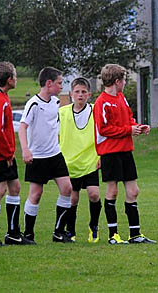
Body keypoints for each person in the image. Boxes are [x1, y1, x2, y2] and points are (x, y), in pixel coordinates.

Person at [93, 64, 155, 245]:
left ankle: (135, 235)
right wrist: (129, 129)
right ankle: (113, 235)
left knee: (133, 191)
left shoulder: (121, 98)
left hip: (126, 151)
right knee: (112, 191)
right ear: (117, 81)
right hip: (110, 153)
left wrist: (137, 126)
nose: (125, 83)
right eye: (124, 80)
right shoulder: (102, 102)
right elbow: (104, 129)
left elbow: (128, 118)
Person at [0, 61, 35, 247]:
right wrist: (7, 152)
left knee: (15, 187)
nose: (16, 80)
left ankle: (13, 233)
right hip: (0, 155)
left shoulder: (0, 97)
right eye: (15, 77)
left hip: (2, 153)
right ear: (9, 80)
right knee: (0, 190)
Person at [19, 66, 73, 244]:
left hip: (55, 154)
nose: (61, 86)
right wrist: (26, 149)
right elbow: (23, 127)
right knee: (36, 194)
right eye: (59, 83)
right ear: (49, 83)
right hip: (38, 157)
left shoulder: (56, 102)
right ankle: (28, 234)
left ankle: (59, 232)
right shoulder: (33, 103)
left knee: (67, 189)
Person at [59, 77, 102, 243]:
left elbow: (102, 134)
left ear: (89, 94)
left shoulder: (95, 110)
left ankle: (94, 226)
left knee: (94, 194)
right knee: (73, 198)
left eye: (84, 92)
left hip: (91, 161)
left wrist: (101, 155)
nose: (80, 95)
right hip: (69, 163)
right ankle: (70, 230)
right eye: (77, 92)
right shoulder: (62, 113)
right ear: (71, 94)